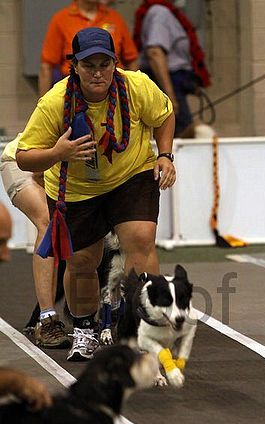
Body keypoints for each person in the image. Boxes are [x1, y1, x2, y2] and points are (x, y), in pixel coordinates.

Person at [16, 27, 176, 362]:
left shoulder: (136, 86)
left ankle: (143, 326)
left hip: (131, 175)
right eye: (89, 65)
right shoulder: (55, 102)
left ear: (115, 63)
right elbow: (24, 156)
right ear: (74, 65)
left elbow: (164, 115)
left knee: (141, 238)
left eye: (105, 64)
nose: (98, 72)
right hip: (77, 188)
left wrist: (165, 155)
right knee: (83, 261)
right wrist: (58, 152)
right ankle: (85, 328)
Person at [0, 136, 70, 349]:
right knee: (48, 223)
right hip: (23, 162)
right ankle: (46, 319)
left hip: (55, 166)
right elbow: (39, 172)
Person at [133, 0, 210, 137]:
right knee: (182, 137)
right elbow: (155, 52)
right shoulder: (159, 12)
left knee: (182, 136)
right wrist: (170, 97)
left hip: (177, 83)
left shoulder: (166, 12)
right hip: (167, 85)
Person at [39, 0, 138, 96]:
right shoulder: (61, 19)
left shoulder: (115, 17)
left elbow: (132, 59)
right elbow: (46, 66)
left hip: (114, 87)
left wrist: (131, 94)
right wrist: (43, 103)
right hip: (75, 88)